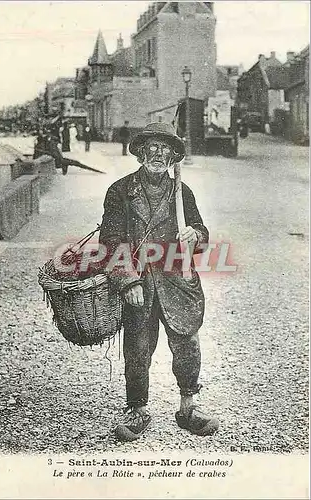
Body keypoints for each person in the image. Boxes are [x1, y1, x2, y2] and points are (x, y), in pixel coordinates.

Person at [99, 122, 219, 442]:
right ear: (140, 153)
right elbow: (110, 242)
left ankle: (188, 407)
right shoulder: (120, 191)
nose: (158, 153)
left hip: (178, 281)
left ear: (173, 156)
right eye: (152, 147)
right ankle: (137, 409)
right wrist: (127, 282)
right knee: (138, 346)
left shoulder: (183, 192)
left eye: (165, 148)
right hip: (140, 283)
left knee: (187, 343)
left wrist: (196, 235)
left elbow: (201, 233)